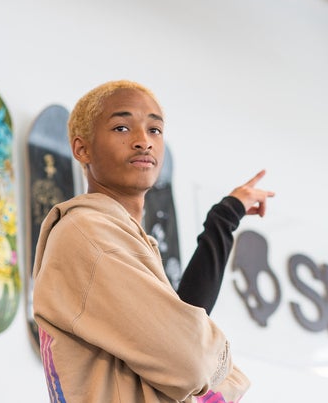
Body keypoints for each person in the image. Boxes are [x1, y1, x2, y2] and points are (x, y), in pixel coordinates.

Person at [32, 80, 275, 403]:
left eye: (155, 130)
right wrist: (223, 371)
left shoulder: (119, 235)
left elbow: (184, 317)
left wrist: (224, 217)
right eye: (121, 127)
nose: (143, 142)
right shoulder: (90, 234)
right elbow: (190, 361)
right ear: (82, 149)